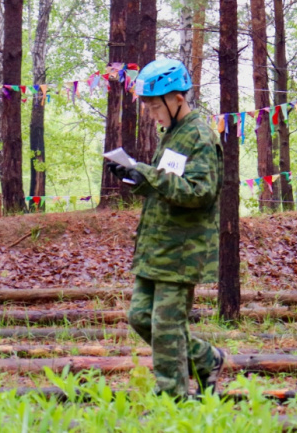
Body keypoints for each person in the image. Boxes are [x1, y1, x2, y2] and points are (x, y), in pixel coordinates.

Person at [106, 58, 225, 399]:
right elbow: (170, 187)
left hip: (183, 250)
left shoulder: (200, 135)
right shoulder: (173, 134)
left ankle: (174, 398)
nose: (153, 114)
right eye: (149, 107)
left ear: (177, 99)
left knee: (166, 326)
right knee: (142, 316)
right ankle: (206, 358)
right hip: (156, 246)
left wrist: (151, 175)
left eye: (156, 106)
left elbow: (201, 192)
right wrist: (136, 179)